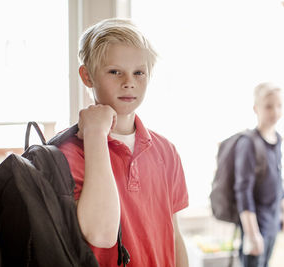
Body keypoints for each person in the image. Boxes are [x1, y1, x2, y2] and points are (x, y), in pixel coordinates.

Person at [59, 18, 189, 267]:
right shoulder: (70, 153)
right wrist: (96, 135)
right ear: (87, 76)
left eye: (139, 72)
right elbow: (99, 234)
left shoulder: (166, 151)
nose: (129, 82)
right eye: (114, 71)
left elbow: (175, 236)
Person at [234, 82, 284, 267]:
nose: (275, 111)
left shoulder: (277, 139)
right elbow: (243, 191)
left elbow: (278, 179)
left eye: (279, 105)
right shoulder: (249, 144)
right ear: (256, 109)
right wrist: (252, 234)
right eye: (268, 106)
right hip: (256, 225)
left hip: (272, 221)